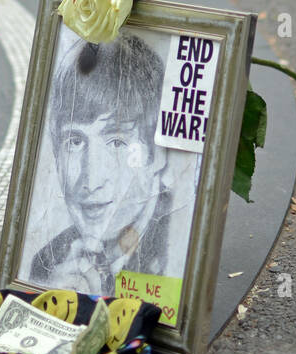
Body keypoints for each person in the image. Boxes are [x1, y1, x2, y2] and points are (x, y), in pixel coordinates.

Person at [26, 32, 197, 295]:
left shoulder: (181, 256)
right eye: (74, 141)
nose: (91, 180)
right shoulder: (48, 263)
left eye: (116, 142)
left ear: (157, 154)